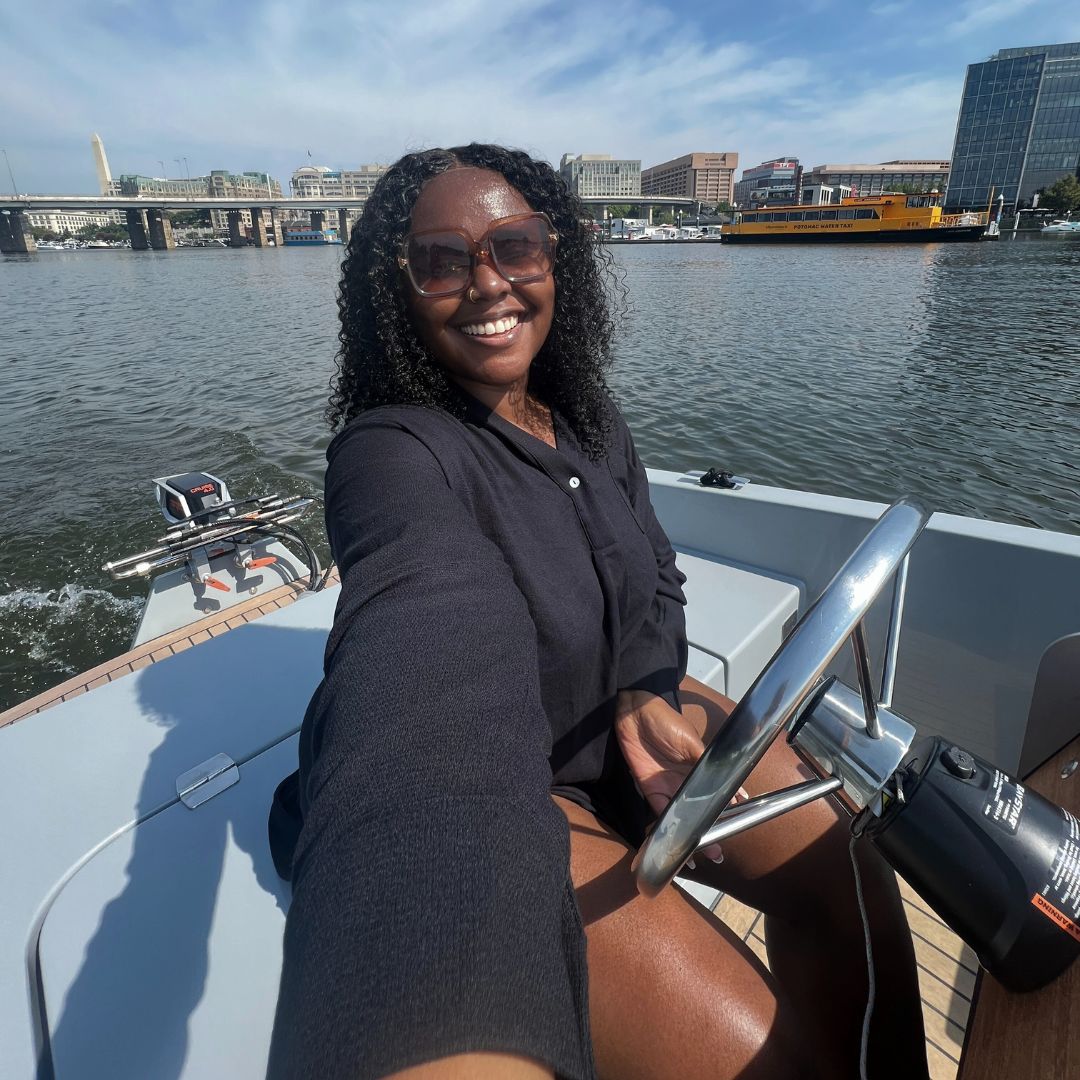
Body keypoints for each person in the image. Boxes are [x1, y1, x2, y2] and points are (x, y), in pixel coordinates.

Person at [267, 144, 929, 1080]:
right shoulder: (392, 455)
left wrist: (641, 686)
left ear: (554, 257)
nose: (487, 282)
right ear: (399, 295)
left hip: (621, 728)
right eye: (443, 260)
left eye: (514, 246)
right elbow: (425, 635)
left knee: (849, 871)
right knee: (778, 1064)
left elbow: (657, 576)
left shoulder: (582, 415)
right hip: (513, 792)